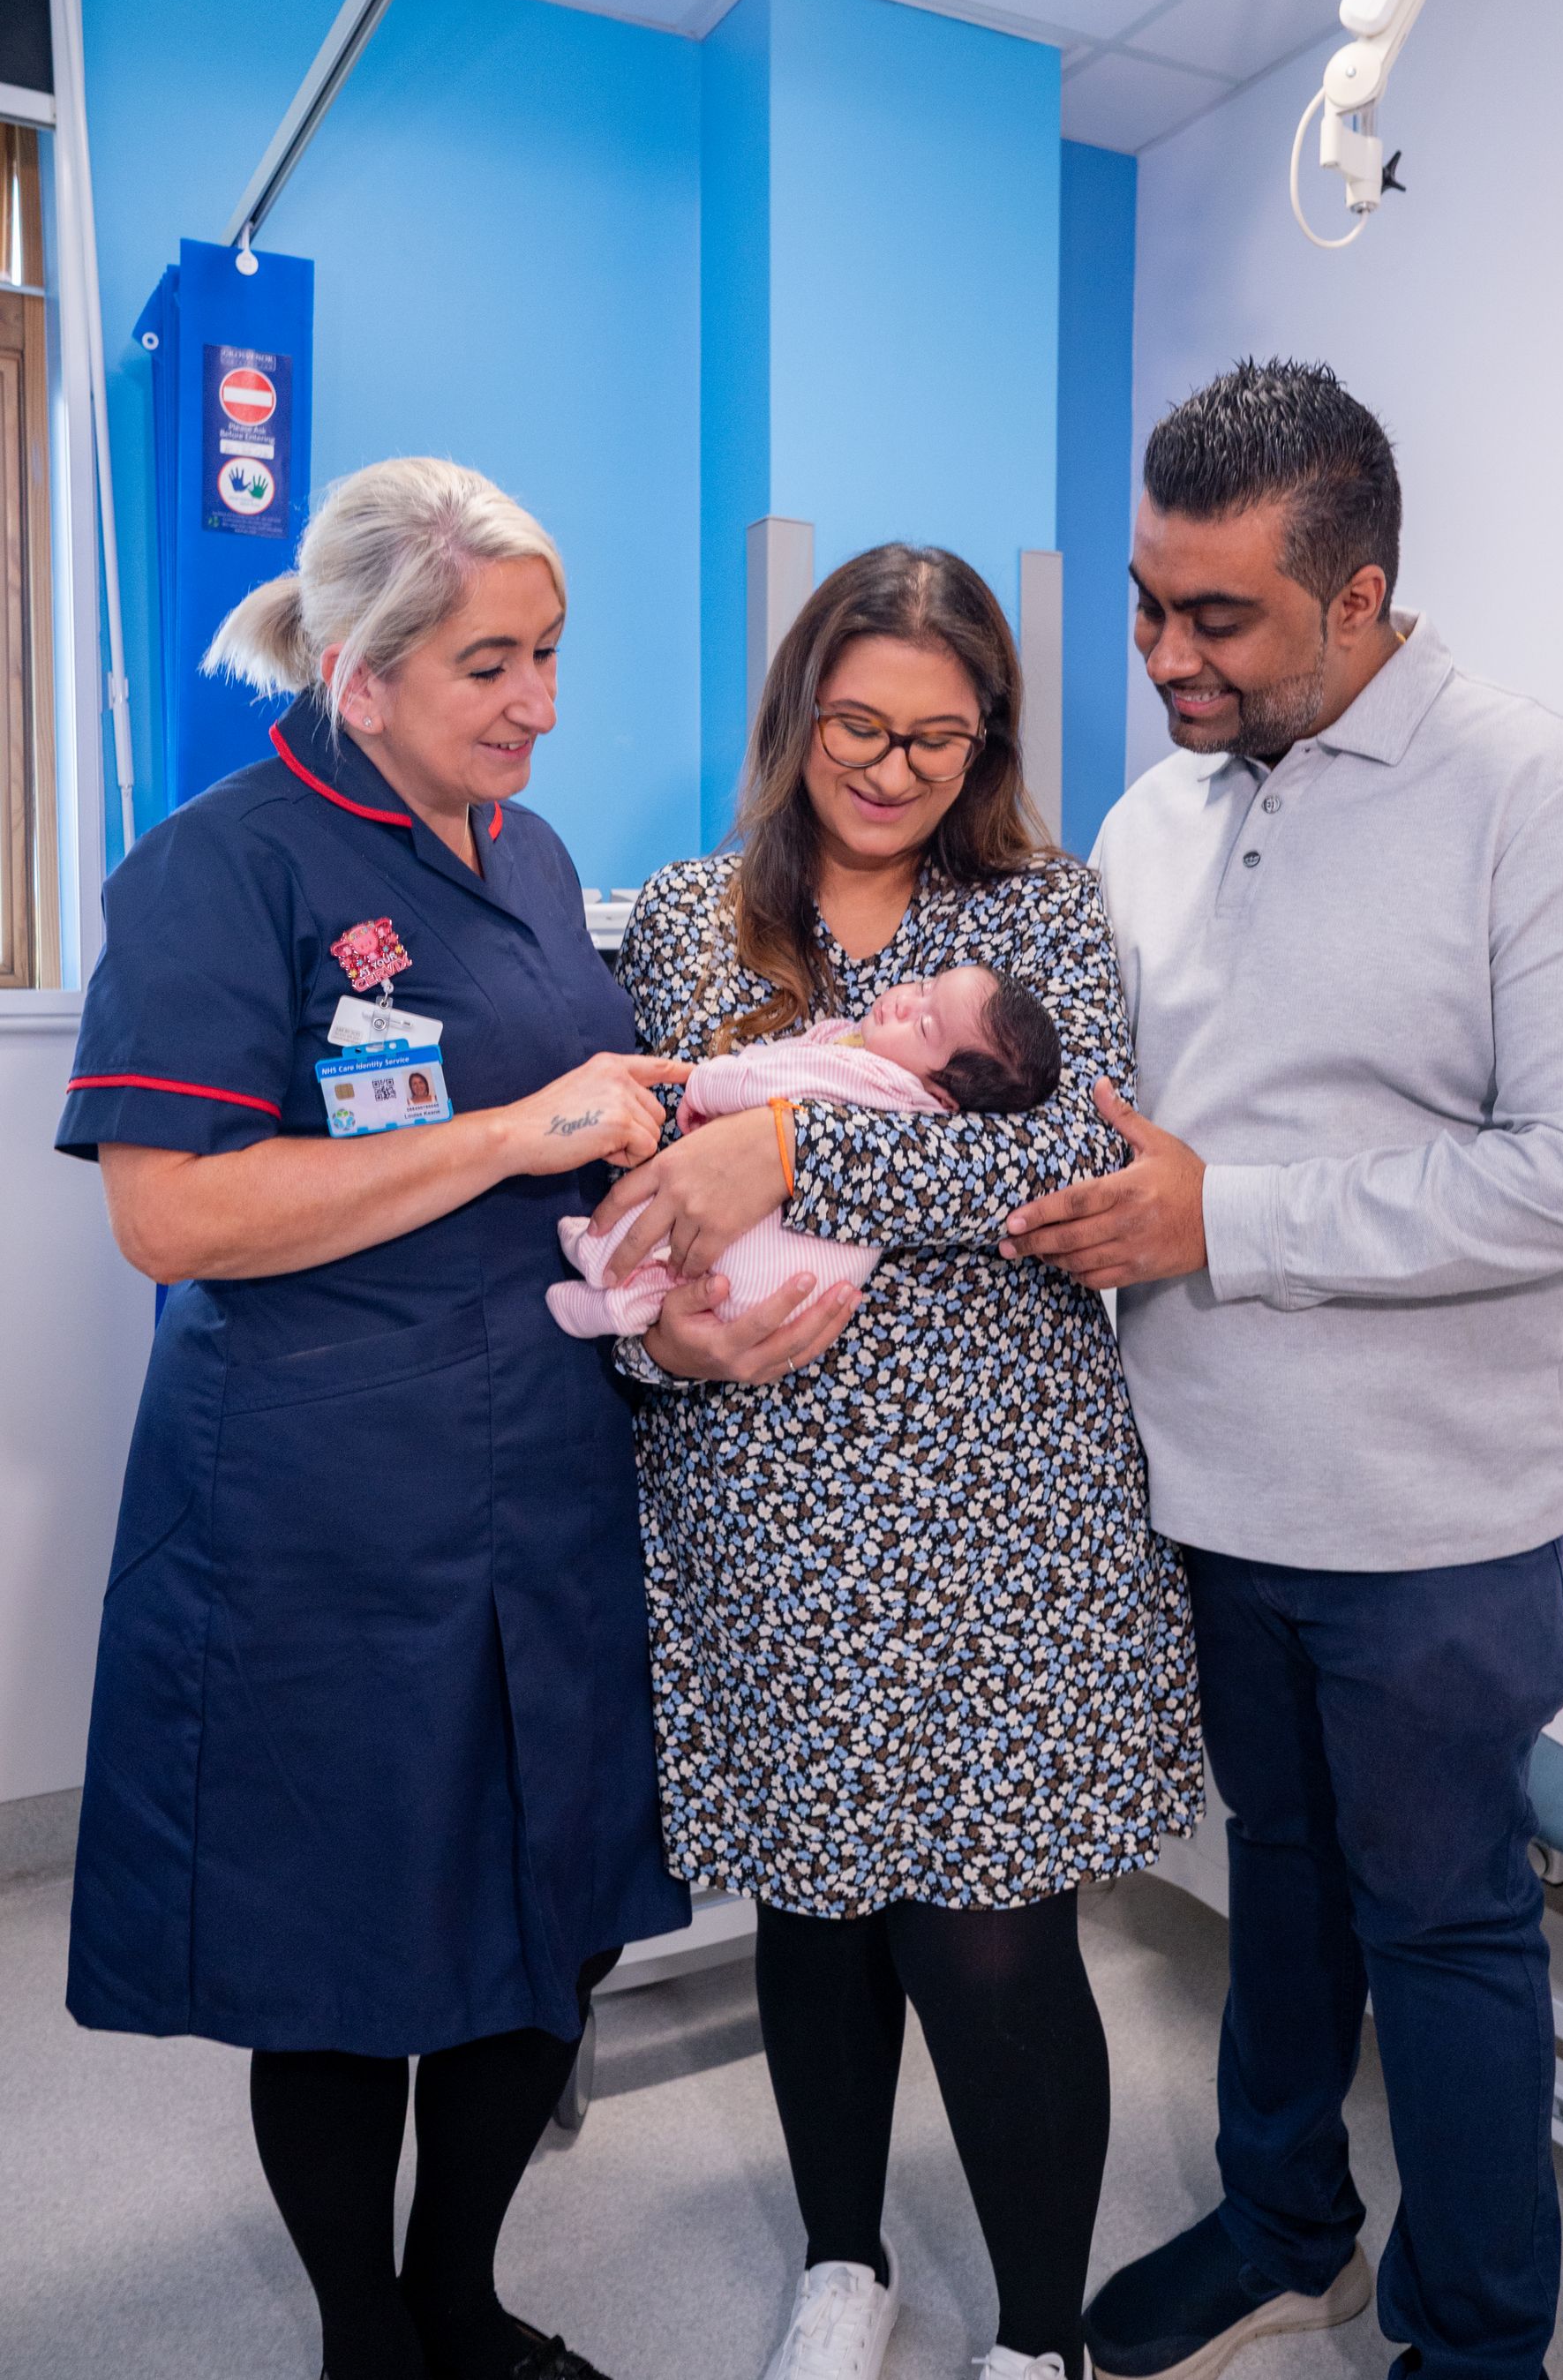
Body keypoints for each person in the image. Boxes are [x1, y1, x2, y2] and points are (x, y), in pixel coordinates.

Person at [52, 458, 777, 2380]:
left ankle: (456, 2292)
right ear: (360, 677)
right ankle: (368, 2331)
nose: (540, 703)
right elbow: (170, 1210)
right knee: (346, 1953)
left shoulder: (525, 859)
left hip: (536, 1472)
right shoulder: (222, 865)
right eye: (489, 665)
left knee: (549, 1919)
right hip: (315, 1509)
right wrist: (510, 1135)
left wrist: (663, 1226)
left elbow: (558, 1131)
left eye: (549, 655)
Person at [1003, 361, 1563, 2380]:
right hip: (1204, 1490)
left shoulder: (1528, 795)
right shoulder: (1153, 815)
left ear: (1358, 595)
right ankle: (1286, 2224)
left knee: (1445, 1926)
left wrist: (1233, 1221)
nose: (1159, 654)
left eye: (1213, 617)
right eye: (1144, 602)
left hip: (1423, 1522)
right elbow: (1106, 1112)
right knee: (1271, 1885)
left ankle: (1471, 2343)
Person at [589, 543, 1201, 2380]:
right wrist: (651, 1331)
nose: (894, 765)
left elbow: (1057, 1172)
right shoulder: (689, 925)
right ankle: (841, 2267)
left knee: (996, 1932)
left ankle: (1033, 2340)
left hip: (1001, 1514)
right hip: (759, 1496)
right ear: (797, 712)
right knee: (818, 1902)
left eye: (942, 735)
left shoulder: (1044, 914)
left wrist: (782, 1152)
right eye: (861, 721)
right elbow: (618, 1194)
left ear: (986, 740)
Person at [545, 963, 1062, 1336]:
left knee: (679, 1245)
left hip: (777, 1265)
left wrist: (706, 1087)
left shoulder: (875, 1077)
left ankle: (606, 1282)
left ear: (944, 1096)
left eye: (925, 1026)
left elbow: (771, 1077)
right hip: (809, 1288)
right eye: (926, 987)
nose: (906, 1001)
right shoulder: (881, 1067)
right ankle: (619, 1302)